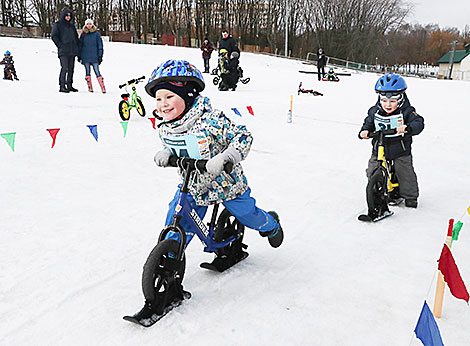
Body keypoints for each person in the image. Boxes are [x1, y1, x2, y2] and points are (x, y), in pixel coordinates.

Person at [145, 59, 284, 250]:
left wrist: (226, 157)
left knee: (247, 215)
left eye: (169, 97)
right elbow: (175, 145)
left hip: (226, 185)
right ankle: (169, 256)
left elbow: (243, 136)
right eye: (158, 99)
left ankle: (271, 224)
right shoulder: (167, 127)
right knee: (176, 216)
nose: (163, 105)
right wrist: (167, 152)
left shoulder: (211, 120)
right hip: (194, 187)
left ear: (187, 96)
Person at [359, 73, 424, 209]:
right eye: (384, 101)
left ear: (400, 99)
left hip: (400, 149)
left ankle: (410, 196)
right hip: (379, 148)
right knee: (372, 169)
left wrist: (408, 128)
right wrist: (364, 131)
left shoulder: (407, 111)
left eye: (392, 101)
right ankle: (377, 191)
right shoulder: (375, 111)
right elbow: (368, 122)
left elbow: (418, 122)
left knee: (404, 172)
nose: (388, 105)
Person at [51, 8, 80, 93]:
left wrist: (77, 48)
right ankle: (62, 86)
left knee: (71, 68)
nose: (68, 17)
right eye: (67, 15)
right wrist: (60, 45)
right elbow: (54, 36)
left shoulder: (72, 26)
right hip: (63, 51)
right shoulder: (58, 25)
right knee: (65, 68)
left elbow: (76, 38)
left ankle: (69, 85)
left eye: (69, 16)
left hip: (72, 50)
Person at [79, 18, 106, 93]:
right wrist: (79, 55)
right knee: (87, 72)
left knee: (97, 71)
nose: (89, 26)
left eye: (90, 24)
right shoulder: (83, 34)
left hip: (95, 56)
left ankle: (102, 87)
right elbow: (80, 45)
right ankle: (90, 87)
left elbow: (100, 45)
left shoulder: (96, 34)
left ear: (92, 25)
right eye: (87, 24)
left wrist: (100, 55)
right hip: (85, 56)